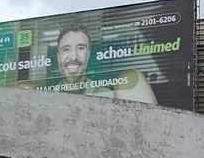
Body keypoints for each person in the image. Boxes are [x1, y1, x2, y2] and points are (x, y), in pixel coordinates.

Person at [18, 25, 159, 104]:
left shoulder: (111, 97)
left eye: (80, 48)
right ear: (58, 56)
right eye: (66, 49)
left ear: (89, 54)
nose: (73, 56)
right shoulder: (42, 100)